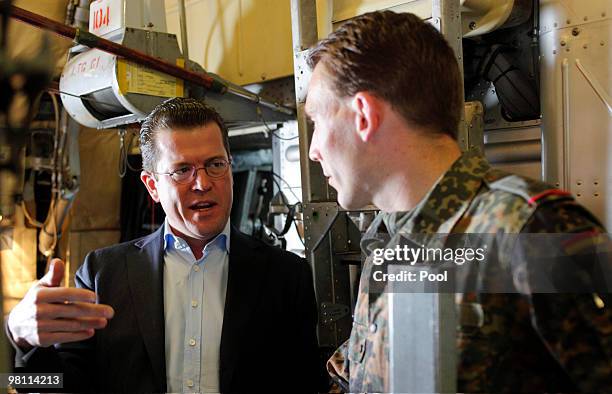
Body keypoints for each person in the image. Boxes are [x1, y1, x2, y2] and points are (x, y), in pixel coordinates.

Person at [304, 10, 612, 393]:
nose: (314, 151)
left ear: (364, 115)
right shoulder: (389, 244)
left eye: (316, 120)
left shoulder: (530, 229)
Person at [6, 98, 321, 393]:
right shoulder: (103, 274)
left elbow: (305, 384)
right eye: (182, 170)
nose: (203, 183)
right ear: (152, 186)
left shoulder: (286, 276)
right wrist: (20, 340)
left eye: (215, 164)